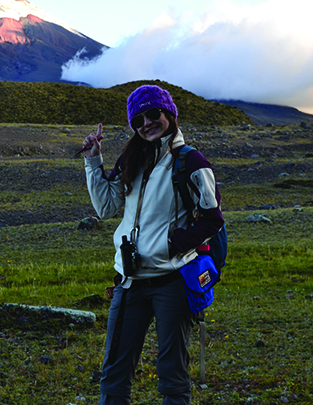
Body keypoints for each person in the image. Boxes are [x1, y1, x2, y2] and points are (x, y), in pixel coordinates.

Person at [80, 84, 225, 405]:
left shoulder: (191, 162)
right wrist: (93, 161)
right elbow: (106, 208)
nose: (147, 122)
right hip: (129, 282)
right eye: (139, 118)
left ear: (169, 115)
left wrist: (173, 243)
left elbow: (213, 219)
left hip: (172, 281)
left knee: (173, 372)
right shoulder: (132, 158)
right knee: (114, 371)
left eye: (153, 114)